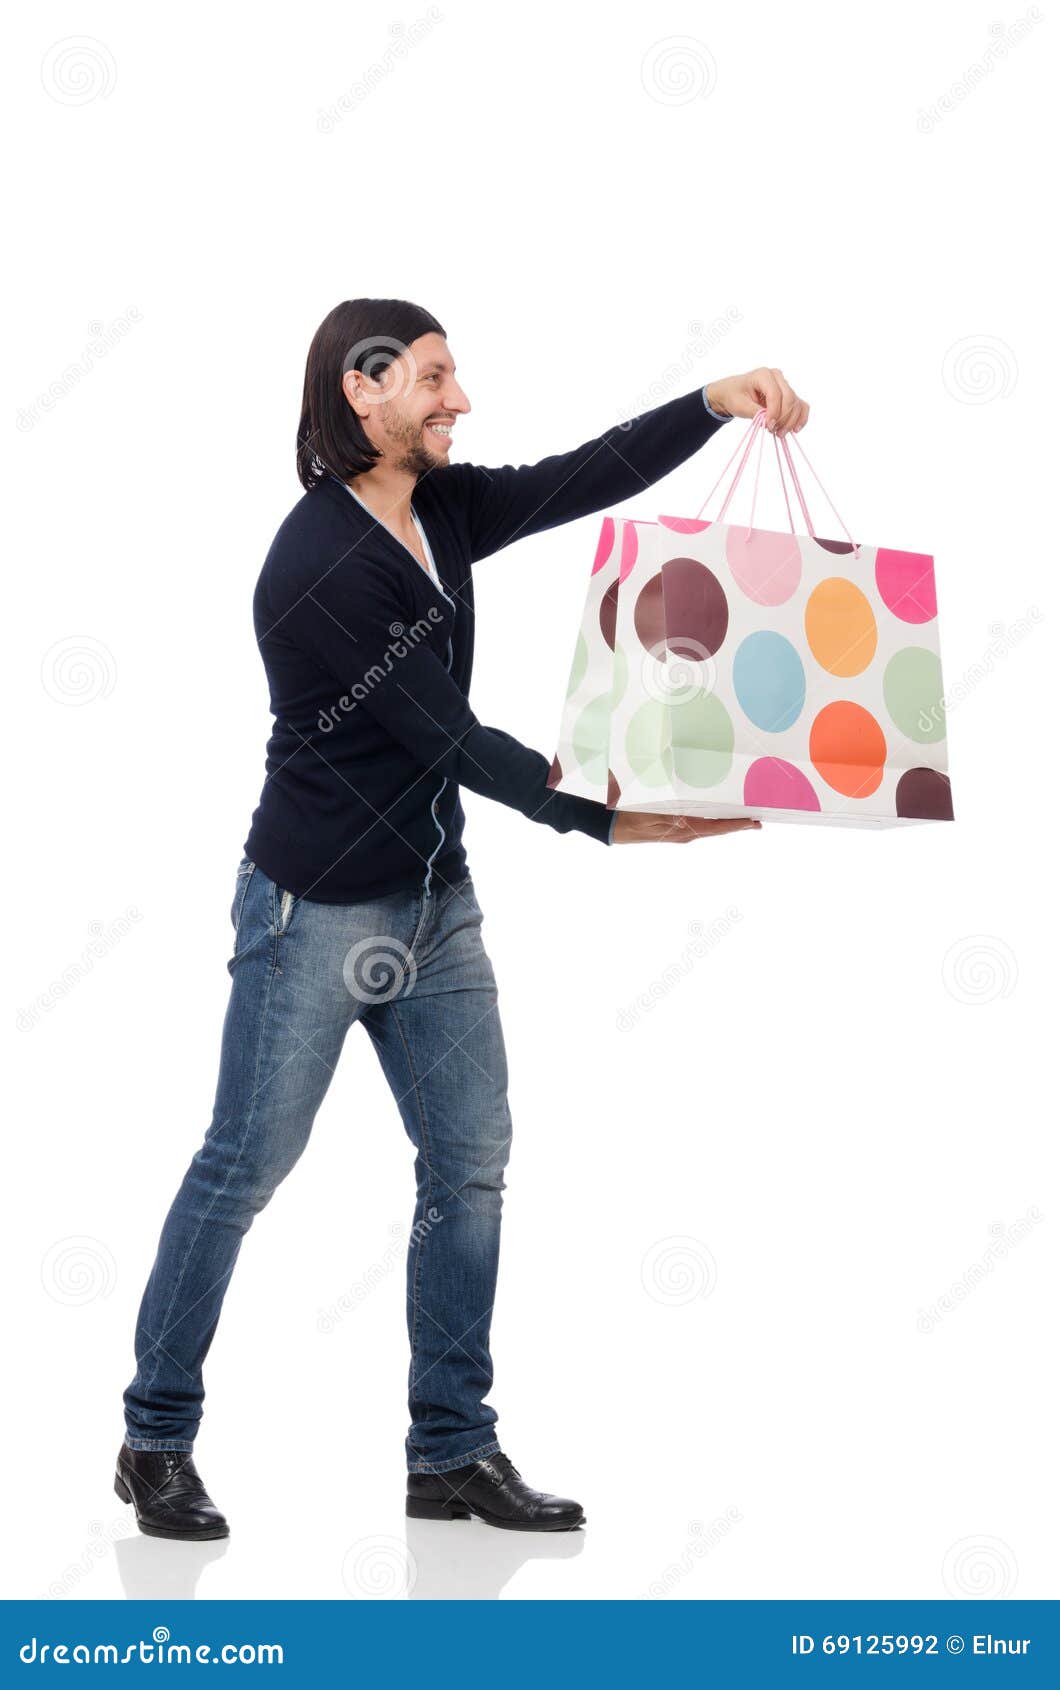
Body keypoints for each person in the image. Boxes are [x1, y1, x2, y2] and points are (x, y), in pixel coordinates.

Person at [115, 299, 809, 1538]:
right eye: (435, 378)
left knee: (469, 1169)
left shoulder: (437, 507)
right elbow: (450, 735)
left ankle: (450, 1451)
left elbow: (580, 477)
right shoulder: (320, 563)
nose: (461, 400)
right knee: (241, 1170)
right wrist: (604, 819)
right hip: (312, 916)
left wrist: (712, 401)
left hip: (435, 906)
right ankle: (153, 1437)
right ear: (363, 388)